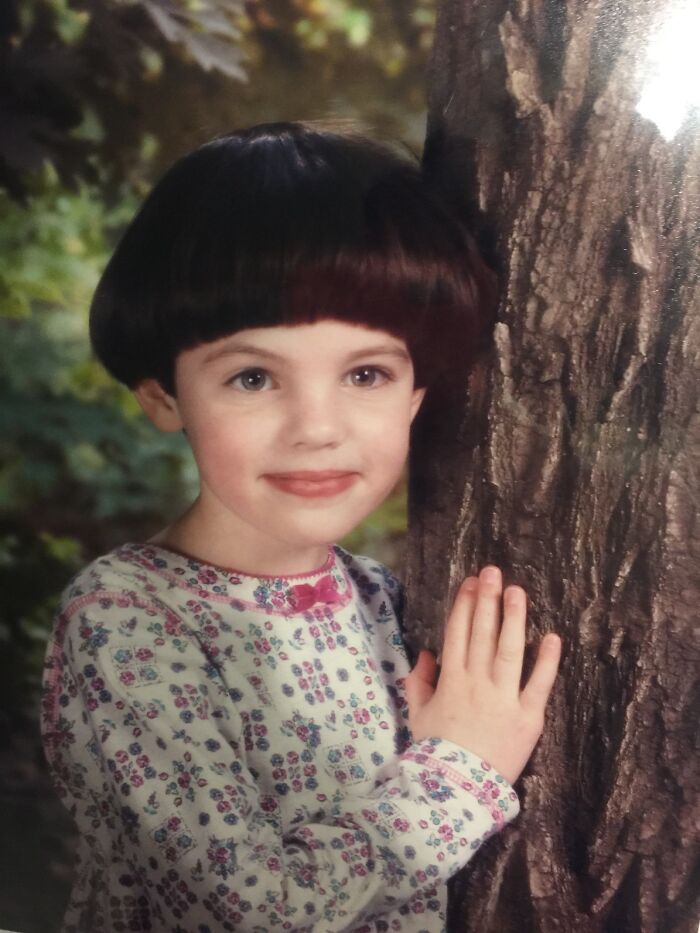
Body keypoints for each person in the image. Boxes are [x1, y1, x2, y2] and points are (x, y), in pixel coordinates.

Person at [41, 121, 561, 933]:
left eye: (366, 373)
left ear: (415, 395)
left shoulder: (377, 595)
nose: (317, 427)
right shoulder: (127, 622)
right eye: (253, 377)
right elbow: (255, 908)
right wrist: (460, 768)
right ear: (164, 397)